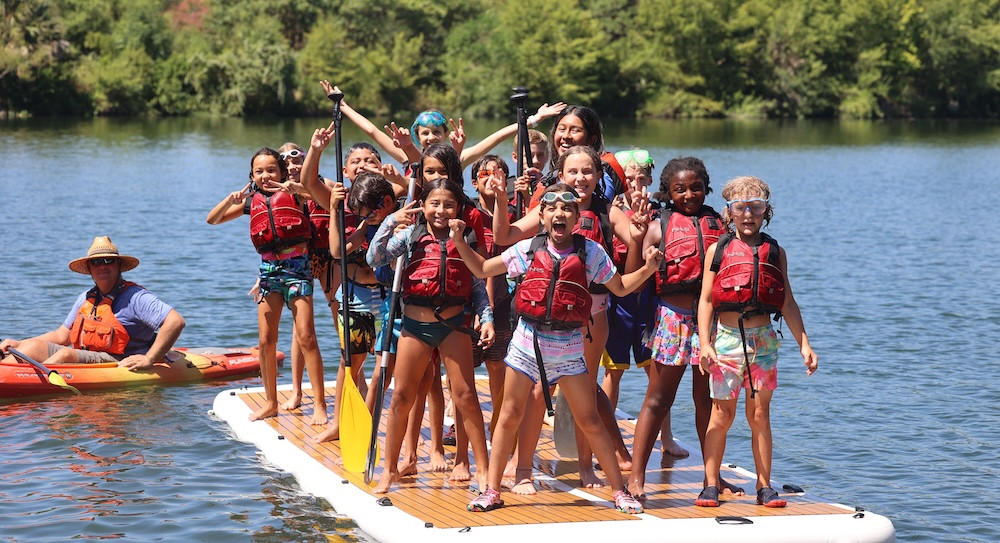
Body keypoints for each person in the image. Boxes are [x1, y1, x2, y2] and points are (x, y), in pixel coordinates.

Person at [453, 183, 662, 514]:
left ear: (577, 216)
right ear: (542, 216)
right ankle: (491, 490)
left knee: (590, 419)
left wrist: (649, 268)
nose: (559, 214)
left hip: (568, 347)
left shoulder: (590, 252)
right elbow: (481, 269)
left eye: (567, 208)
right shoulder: (527, 249)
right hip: (527, 342)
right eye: (551, 208)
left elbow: (620, 288)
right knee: (508, 415)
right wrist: (460, 242)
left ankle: (620, 492)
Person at [493, 145, 645, 488]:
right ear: (561, 175)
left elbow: (629, 268)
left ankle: (586, 466)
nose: (580, 178)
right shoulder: (549, 209)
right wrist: (502, 200)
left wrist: (638, 235)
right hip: (543, 322)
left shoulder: (609, 212)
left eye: (588, 172)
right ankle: (522, 469)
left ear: (598, 176)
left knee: (584, 396)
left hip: (592, 318)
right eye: (573, 172)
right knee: (535, 394)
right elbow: (504, 238)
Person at [695, 175, 818, 508]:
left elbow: (788, 302)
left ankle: (764, 487)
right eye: (740, 208)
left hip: (763, 340)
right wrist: (705, 343)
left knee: (760, 415)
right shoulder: (717, 250)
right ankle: (710, 484)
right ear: (730, 213)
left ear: (766, 212)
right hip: (726, 340)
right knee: (721, 416)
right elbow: (706, 300)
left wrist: (804, 344)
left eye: (756, 207)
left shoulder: (775, 251)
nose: (748, 214)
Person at [367, 178, 495, 494]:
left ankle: (484, 471)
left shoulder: (465, 238)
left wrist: (488, 317)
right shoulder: (410, 236)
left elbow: (478, 283)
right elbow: (375, 258)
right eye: (434, 204)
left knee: (465, 396)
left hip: (452, 326)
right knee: (401, 397)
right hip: (414, 326)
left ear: (459, 209)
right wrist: (388, 222)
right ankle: (390, 470)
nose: (440, 210)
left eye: (448, 205)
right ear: (423, 206)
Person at [627, 156, 731, 500]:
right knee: (658, 399)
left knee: (708, 400)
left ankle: (711, 477)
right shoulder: (658, 225)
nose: (689, 194)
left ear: (707, 187)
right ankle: (637, 477)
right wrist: (638, 236)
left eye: (696, 187)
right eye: (680, 189)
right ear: (668, 192)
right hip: (672, 319)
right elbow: (636, 271)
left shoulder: (720, 224)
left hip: (712, 325)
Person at [206, 147, 326, 423]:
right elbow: (212, 219)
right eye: (259, 171)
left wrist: (296, 187)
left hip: (297, 268)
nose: (266, 175)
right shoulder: (252, 201)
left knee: (306, 336)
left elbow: (321, 198)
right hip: (269, 271)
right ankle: (270, 402)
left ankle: (319, 404)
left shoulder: (296, 192)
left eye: (271, 169)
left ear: (281, 171)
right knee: (265, 340)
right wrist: (231, 198)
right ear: (252, 176)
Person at [0, 236, 185, 371]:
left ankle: (24, 381)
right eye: (96, 262)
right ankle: (7, 369)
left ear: (118, 265)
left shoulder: (136, 297)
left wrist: (149, 358)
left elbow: (175, 321)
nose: (102, 266)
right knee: (29, 347)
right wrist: (18, 343)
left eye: (108, 260)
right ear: (89, 269)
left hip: (119, 358)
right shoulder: (86, 298)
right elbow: (61, 335)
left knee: (66, 355)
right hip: (88, 355)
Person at [323, 79, 565, 167]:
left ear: (445, 134)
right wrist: (343, 106)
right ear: (417, 136)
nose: (430, 137)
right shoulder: (408, 156)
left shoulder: (458, 158)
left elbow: (496, 138)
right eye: (425, 133)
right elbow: (372, 131)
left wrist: (532, 119)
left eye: (436, 132)